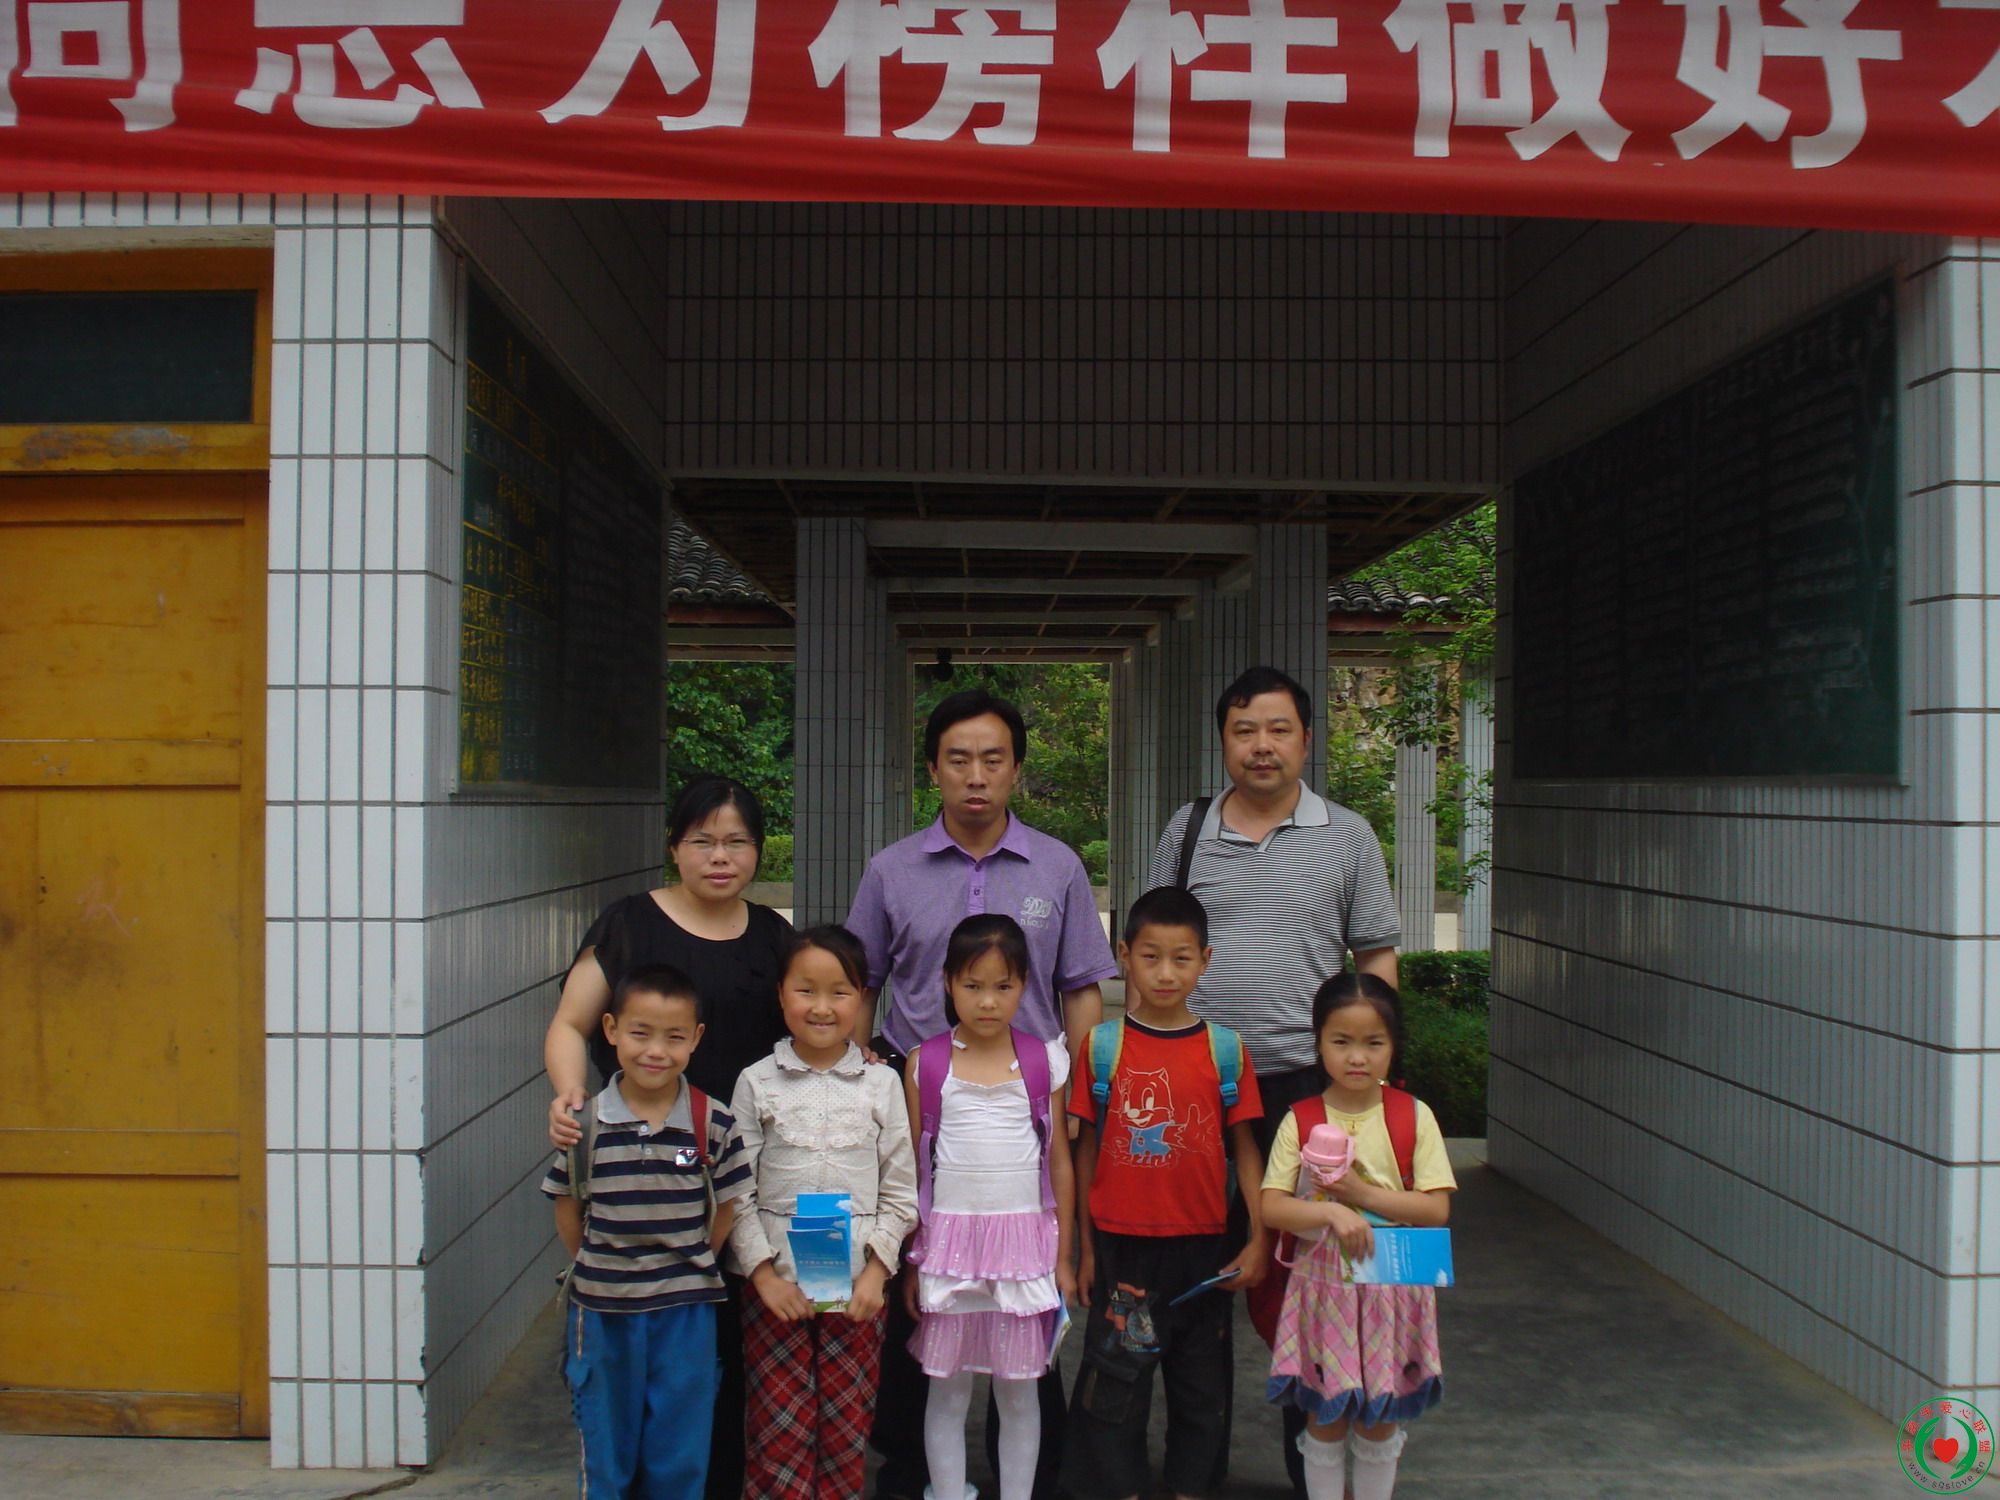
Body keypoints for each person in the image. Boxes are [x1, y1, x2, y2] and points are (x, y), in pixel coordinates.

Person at [850, 687, 1116, 1500]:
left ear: (1016, 770)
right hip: (919, 1106)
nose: (976, 775)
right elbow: (861, 983)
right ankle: (913, 1469)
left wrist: (1079, 1095)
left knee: (1022, 1300)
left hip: (1029, 1111)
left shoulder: (1057, 867)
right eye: (958, 759)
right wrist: (861, 1087)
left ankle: (1025, 1476)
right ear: (932, 768)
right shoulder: (891, 870)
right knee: (919, 1291)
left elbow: (1081, 986)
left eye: (992, 759)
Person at [1148, 665, 1401, 1496]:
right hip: (1200, 1085)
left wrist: (1374, 1086)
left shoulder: (1348, 836)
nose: (1262, 746)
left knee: (1311, 1282)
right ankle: (1195, 1469)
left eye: (1279, 729)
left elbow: (1375, 956)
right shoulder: (1187, 830)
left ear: (1306, 738)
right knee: (1197, 1274)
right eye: (1244, 730)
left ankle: (1310, 1468)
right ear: (1223, 740)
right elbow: (1154, 947)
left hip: (1306, 1091)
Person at [547, 776, 791, 1499]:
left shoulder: (773, 937)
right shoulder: (630, 924)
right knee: (626, 1385)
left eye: (737, 842)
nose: (721, 856)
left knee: (720, 1364)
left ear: (758, 850)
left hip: (742, 1172)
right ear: (675, 847)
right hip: (643, 1166)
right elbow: (570, 1024)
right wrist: (570, 1095)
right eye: (703, 841)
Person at [1061, 887, 1268, 1500]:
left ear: (1205, 960)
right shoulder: (1103, 1047)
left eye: (1182, 958)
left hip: (1204, 1252)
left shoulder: (1225, 1050)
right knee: (1114, 1387)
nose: (1166, 973)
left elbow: (1246, 1151)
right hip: (1121, 1249)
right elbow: (1086, 1151)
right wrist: (1083, 1250)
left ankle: (1190, 1488)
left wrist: (1258, 1239)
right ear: (1125, 955)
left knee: (1201, 1390)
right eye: (1150, 957)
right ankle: (1119, 1488)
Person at [544, 964, 754, 1500]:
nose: (656, 1051)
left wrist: (690, 1261)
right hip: (603, 1310)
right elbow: (567, 1205)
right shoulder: (584, 1124)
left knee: (680, 1447)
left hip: (686, 1312)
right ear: (611, 1030)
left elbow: (725, 1210)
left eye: (674, 1037)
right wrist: (600, 1263)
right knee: (605, 1442)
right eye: (640, 1033)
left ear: (696, 1039)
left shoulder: (713, 1122)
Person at [727, 925, 919, 1500]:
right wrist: (763, 1276)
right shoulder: (756, 1081)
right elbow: (735, 1191)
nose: (821, 1007)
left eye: (840, 992)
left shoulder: (881, 1083)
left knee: (845, 1423)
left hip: (857, 1288)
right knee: (776, 1425)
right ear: (781, 994)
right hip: (776, 1289)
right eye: (805, 990)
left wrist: (877, 1274)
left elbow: (901, 1191)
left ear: (863, 997)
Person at [1259, 974, 1456, 1500]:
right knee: (1324, 1418)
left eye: (1373, 1043)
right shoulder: (1301, 1120)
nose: (1357, 1057)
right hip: (1323, 1291)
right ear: (1319, 1042)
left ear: (1393, 1046)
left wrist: (1358, 1194)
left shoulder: (1413, 1116)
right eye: (1341, 1041)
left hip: (1392, 1288)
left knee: (1380, 1421)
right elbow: (1271, 1206)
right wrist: (1330, 1214)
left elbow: (1435, 1207)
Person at [903, 915, 1076, 1500]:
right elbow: (914, 1168)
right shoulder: (926, 1063)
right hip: (947, 1248)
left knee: (1019, 1392)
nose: (987, 1001)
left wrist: (1065, 1257)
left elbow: (1058, 1162)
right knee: (947, 1390)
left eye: (1003, 986)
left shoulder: (1044, 1061)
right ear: (948, 982)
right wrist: (912, 1259)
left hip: (1025, 1250)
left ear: (1025, 984)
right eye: (972, 985)